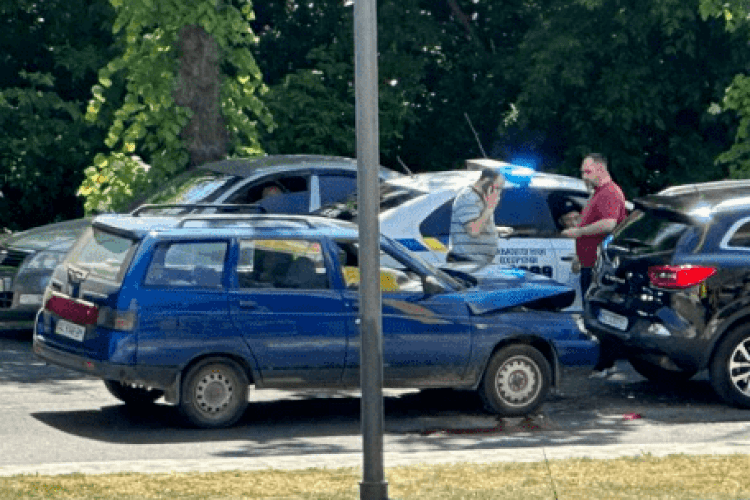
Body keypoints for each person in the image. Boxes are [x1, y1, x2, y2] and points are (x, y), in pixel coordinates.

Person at [561, 153, 628, 377]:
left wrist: (578, 232)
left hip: (600, 268)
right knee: (592, 315)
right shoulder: (597, 194)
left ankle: (605, 363)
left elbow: (609, 224)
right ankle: (603, 362)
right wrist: (580, 256)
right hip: (589, 262)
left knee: (599, 316)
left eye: (587, 171)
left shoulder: (609, 193)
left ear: (600, 168)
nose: (583, 175)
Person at [447, 168, 505, 264]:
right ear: (486, 181)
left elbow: (479, 223)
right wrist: (490, 207)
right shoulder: (468, 198)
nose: (499, 193)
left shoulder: (481, 197)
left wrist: (496, 230)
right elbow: (474, 231)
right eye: (497, 188)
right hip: (466, 262)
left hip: (478, 261)